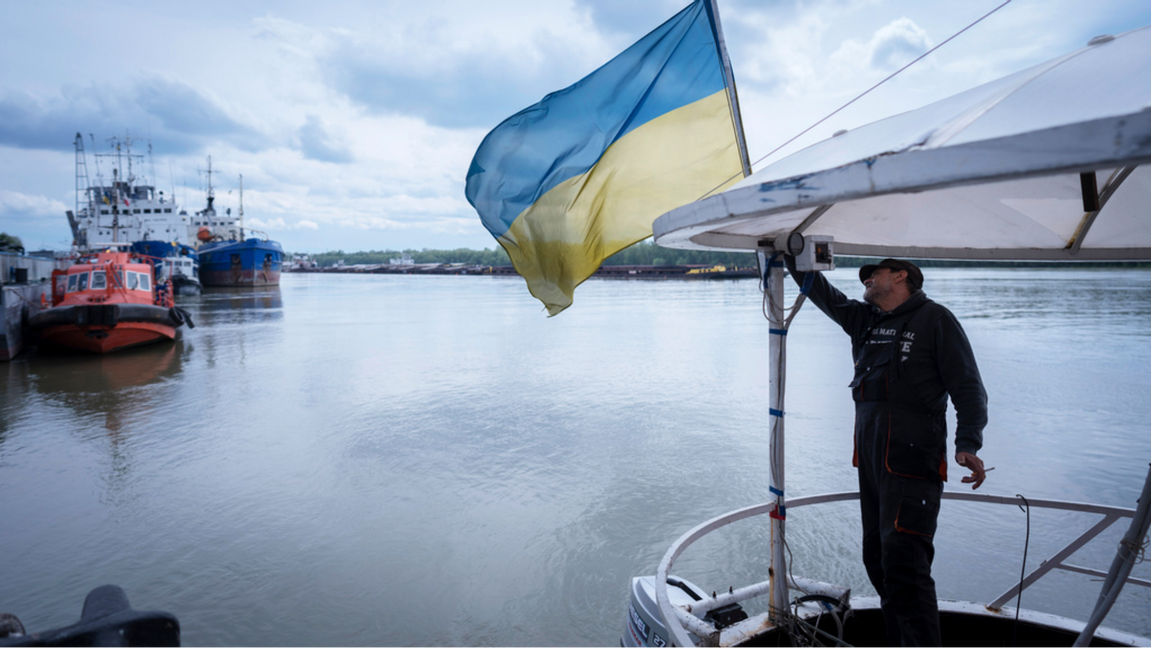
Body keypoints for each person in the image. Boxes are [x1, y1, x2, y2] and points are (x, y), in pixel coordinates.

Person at [784, 255, 988, 648]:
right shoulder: (864, 320)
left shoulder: (935, 319)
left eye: (872, 274)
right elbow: (821, 292)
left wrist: (967, 444)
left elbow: (968, 387)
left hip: (913, 458)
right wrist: (793, 254)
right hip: (873, 456)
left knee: (906, 565)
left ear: (901, 275)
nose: (865, 280)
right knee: (877, 556)